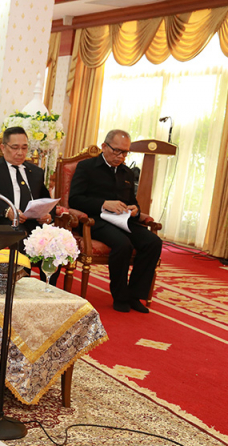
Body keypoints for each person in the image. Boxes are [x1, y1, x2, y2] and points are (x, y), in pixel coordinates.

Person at [69, 129, 162, 314]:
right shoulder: (86, 167)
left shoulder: (127, 172)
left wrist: (135, 210)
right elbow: (75, 200)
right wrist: (103, 204)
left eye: (125, 152)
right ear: (104, 146)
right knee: (123, 244)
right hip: (96, 220)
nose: (121, 156)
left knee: (153, 242)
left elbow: (133, 202)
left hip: (123, 220)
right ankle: (120, 296)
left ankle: (134, 295)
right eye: (117, 151)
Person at [0, 126, 59, 285]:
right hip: (6, 224)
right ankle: (20, 289)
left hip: (34, 225)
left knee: (55, 247)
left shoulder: (35, 171)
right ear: (3, 148)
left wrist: (48, 215)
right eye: (15, 147)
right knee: (20, 244)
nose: (20, 152)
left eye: (24, 148)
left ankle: (48, 291)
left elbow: (46, 199)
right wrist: (7, 211)